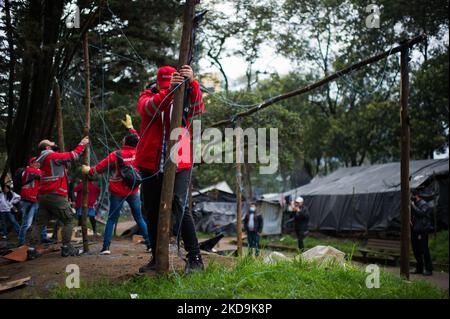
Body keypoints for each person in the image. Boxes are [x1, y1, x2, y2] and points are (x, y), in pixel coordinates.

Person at [136, 65, 205, 274]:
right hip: (151, 163)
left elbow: (199, 108)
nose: (170, 88)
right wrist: (170, 91)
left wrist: (191, 83)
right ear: (158, 83)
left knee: (181, 207)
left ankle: (195, 259)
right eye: (164, 85)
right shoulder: (147, 96)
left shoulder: (186, 95)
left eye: (173, 85)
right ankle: (157, 258)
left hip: (180, 161)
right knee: (151, 210)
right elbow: (149, 108)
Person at [82, 115, 151, 255]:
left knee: (112, 219)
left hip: (117, 191)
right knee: (139, 218)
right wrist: (131, 128)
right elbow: (137, 139)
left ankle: (106, 248)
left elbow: (101, 165)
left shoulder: (117, 154)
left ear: (126, 142)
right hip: (133, 191)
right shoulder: (139, 151)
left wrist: (90, 170)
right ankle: (150, 245)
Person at [28, 137, 89, 258]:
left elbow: (64, 166)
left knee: (39, 223)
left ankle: (31, 249)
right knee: (68, 219)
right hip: (55, 194)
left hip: (43, 196)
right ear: (47, 147)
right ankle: (67, 248)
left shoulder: (41, 159)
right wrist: (83, 143)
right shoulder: (51, 156)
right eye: (50, 142)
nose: (53, 142)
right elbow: (73, 155)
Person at [17, 157, 49, 246]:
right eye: (35, 162)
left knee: (41, 219)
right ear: (31, 164)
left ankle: (44, 238)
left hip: (35, 200)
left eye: (38, 162)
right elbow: (43, 175)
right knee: (26, 223)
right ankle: (21, 242)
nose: (37, 164)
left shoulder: (37, 172)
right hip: (27, 200)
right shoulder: (29, 170)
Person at [411, 191, 433, 276]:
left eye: (411, 195)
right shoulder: (415, 203)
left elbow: (421, 213)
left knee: (424, 249)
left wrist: (412, 205)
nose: (410, 197)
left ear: (416, 195)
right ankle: (419, 268)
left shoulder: (423, 204)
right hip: (415, 229)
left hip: (422, 230)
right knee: (416, 250)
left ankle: (429, 269)